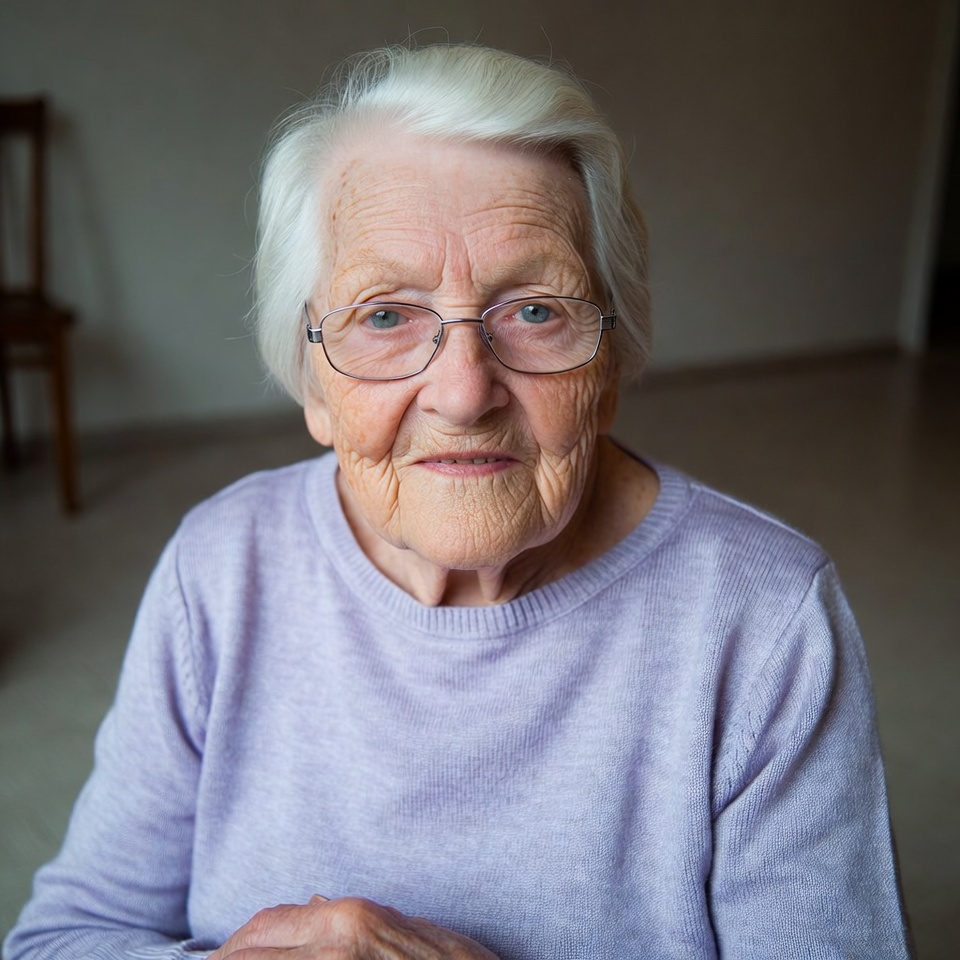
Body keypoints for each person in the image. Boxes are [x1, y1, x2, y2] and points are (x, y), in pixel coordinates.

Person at [4, 44, 911, 960]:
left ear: (610, 365)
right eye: (385, 316)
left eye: (535, 310)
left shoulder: (764, 620)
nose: (464, 393)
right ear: (313, 383)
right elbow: (63, 939)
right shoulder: (220, 569)